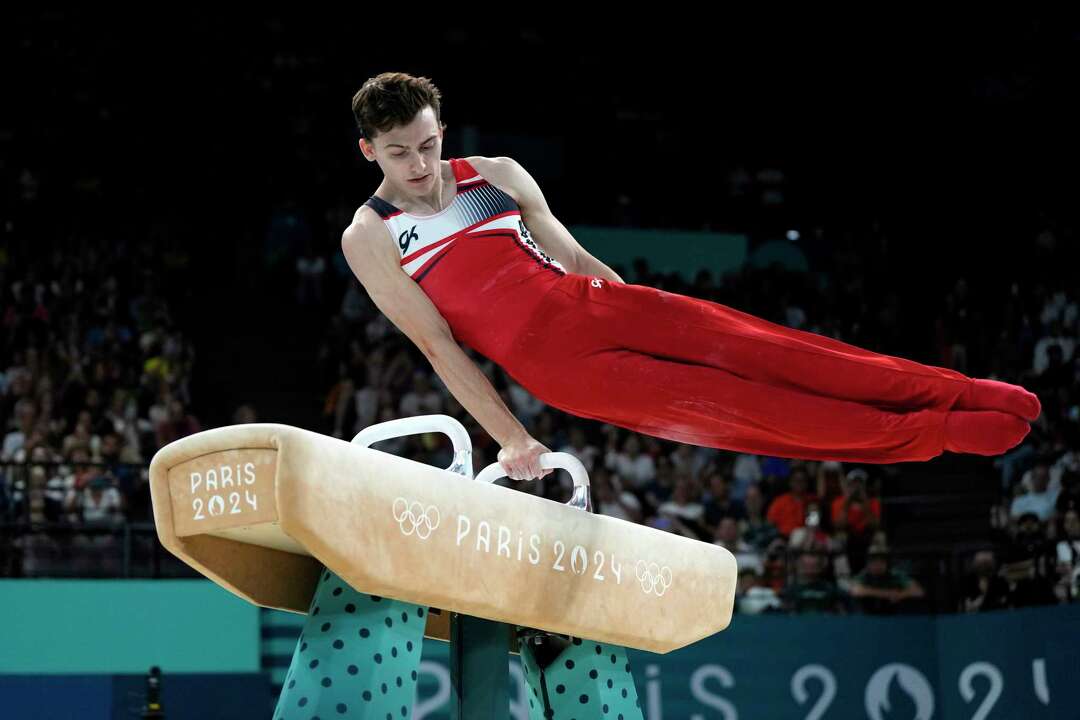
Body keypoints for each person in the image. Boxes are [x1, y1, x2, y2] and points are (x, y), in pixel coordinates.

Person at [341, 72, 1041, 483]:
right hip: (562, 370)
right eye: (400, 153)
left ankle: (958, 390)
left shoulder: (492, 175)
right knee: (753, 411)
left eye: (429, 145)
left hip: (597, 304)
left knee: (775, 349)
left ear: (442, 130)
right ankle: (934, 432)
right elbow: (439, 346)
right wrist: (512, 438)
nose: (421, 166)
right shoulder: (371, 237)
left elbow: (577, 261)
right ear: (370, 150)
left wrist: (636, 305)